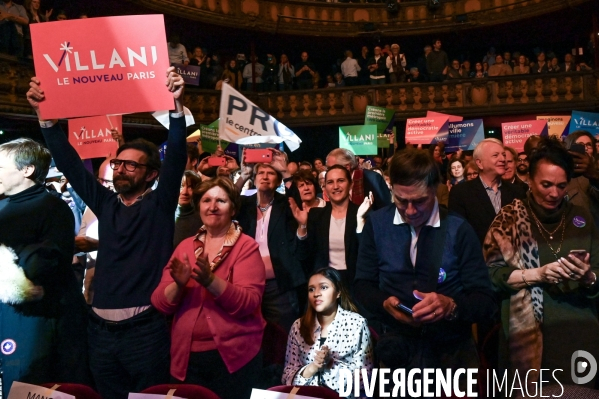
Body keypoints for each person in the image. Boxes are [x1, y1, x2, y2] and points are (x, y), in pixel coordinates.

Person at [27, 67, 187, 399]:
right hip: (99, 332)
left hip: (145, 331)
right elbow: (71, 164)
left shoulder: (159, 205)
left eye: (132, 165)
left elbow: (177, 159)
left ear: (151, 174)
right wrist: (45, 119)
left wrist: (176, 109)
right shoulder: (106, 203)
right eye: (118, 164)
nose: (122, 169)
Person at [354, 149, 495, 387]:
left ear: (435, 190)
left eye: (419, 201)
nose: (410, 211)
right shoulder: (377, 225)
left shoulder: (459, 230)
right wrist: (384, 303)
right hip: (397, 353)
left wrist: (451, 306)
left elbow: (486, 301)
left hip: (452, 354)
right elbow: (362, 285)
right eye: (401, 201)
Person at [484, 137, 599, 390]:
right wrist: (537, 274)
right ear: (530, 181)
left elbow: (598, 275)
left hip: (579, 335)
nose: (554, 193)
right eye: (546, 184)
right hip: (526, 341)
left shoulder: (581, 218)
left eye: (561, 185)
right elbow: (491, 275)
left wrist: (589, 278)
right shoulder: (509, 219)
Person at [152, 177, 265, 399]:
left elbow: (249, 302)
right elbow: (159, 302)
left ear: (233, 208)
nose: (212, 207)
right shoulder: (185, 246)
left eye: (220, 201)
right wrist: (179, 284)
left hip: (232, 359)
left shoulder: (246, 247)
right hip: (185, 359)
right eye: (206, 200)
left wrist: (210, 281)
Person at [0, 138, 90, 392]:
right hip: (9, 314)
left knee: (31, 384)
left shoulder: (52, 208)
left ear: (26, 170)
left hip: (42, 319)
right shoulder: (3, 205)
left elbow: (44, 264)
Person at [236, 155, 305, 332]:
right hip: (247, 283)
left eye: (271, 173)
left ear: (278, 180)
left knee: (285, 335)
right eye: (261, 173)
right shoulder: (244, 204)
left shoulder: (284, 204)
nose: (265, 176)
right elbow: (225, 198)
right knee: (250, 334)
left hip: (279, 286)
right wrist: (243, 176)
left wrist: (285, 172)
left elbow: (299, 204)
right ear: (255, 177)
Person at [283, 268, 373, 398]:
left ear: (338, 292)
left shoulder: (356, 324)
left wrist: (330, 367)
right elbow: (288, 376)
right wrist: (313, 368)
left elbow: (364, 379)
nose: (316, 294)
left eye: (323, 288)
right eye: (311, 289)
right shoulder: (299, 326)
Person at [291, 166, 370, 291]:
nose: (335, 186)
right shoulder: (316, 215)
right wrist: (302, 225)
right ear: (325, 187)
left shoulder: (363, 213)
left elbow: (368, 255)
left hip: (356, 284)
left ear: (350, 184)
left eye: (340, 181)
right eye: (330, 182)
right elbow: (303, 255)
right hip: (324, 283)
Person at [449, 138, 526, 244]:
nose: (503, 159)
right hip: (477, 258)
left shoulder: (517, 191)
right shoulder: (460, 193)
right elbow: (457, 235)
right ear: (479, 163)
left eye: (503, 155)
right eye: (495, 155)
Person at [326, 148, 390, 211]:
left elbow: (385, 208)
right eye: (327, 168)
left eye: (331, 168)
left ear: (347, 167)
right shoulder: (330, 183)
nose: (328, 171)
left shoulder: (372, 178)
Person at [174, 170, 203, 248]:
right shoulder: (164, 216)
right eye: (181, 186)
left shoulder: (203, 219)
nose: (185, 192)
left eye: (190, 187)